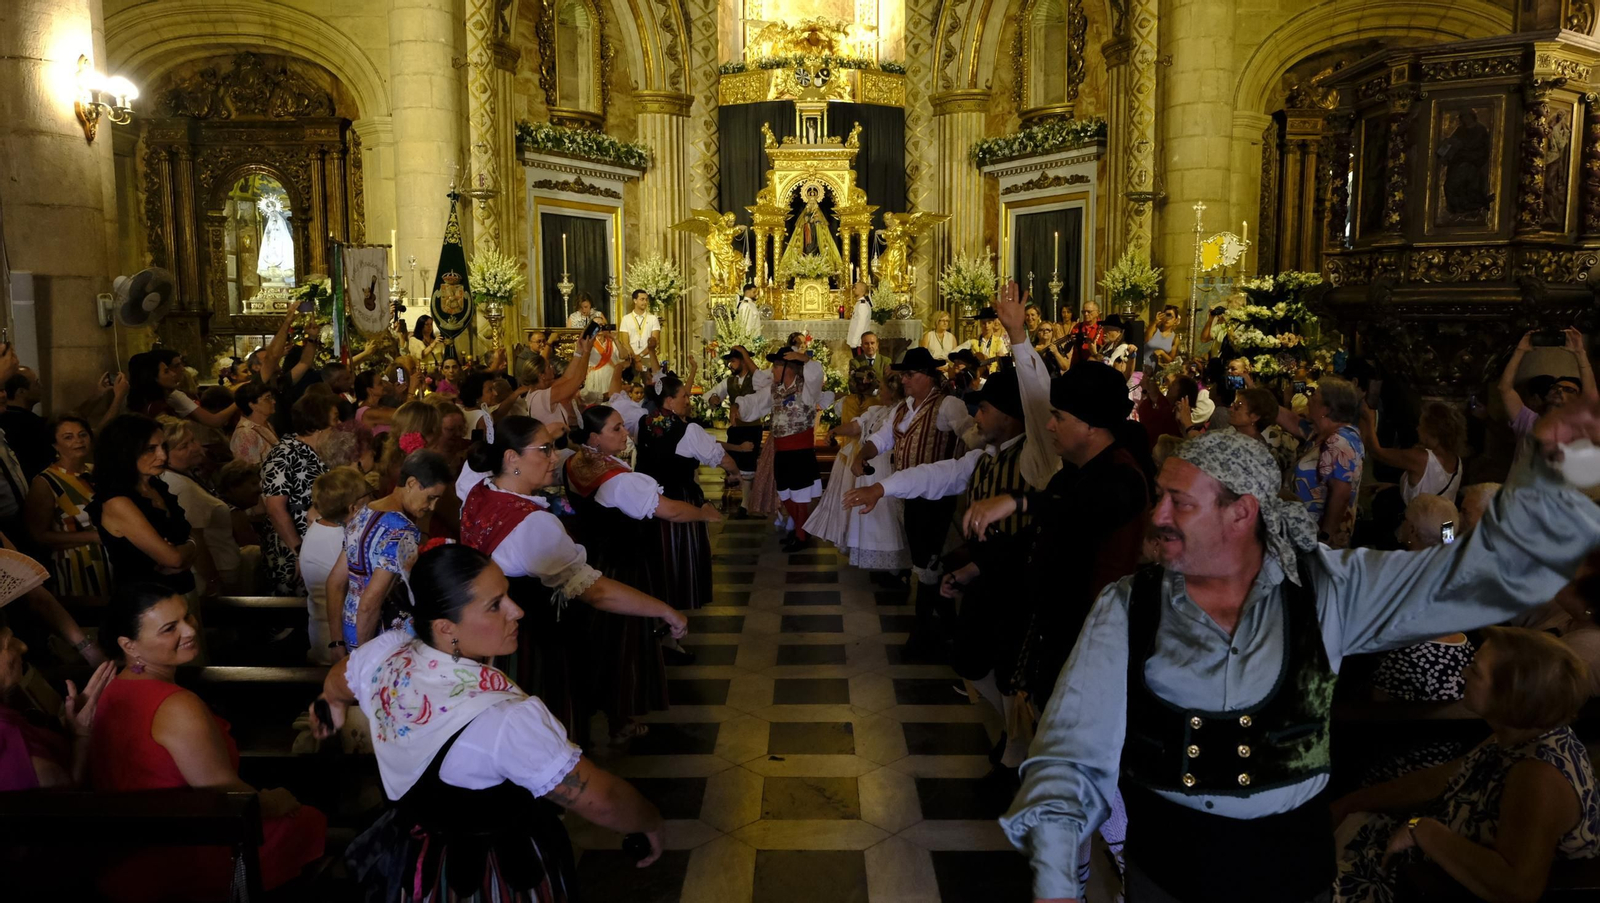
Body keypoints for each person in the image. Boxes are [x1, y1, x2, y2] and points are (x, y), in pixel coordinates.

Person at [1000, 397, 1600, 903]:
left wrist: (1561, 465)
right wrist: (1059, 884)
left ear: (1242, 513)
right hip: (1169, 875)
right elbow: (1069, 757)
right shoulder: (1129, 607)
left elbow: (1482, 576)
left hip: (1295, 877)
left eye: (1179, 502)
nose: (1156, 516)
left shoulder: (1330, 588)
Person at [307, 544, 671, 901]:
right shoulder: (503, 719)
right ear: (446, 627)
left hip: (413, 857)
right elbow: (601, 799)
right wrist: (648, 819)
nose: (517, 611)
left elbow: (339, 679)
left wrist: (330, 704)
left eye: (507, 595)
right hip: (493, 871)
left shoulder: (384, 654)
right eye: (495, 606)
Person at [844, 366, 1056, 758]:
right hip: (987, 573)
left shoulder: (1035, 459)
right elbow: (938, 474)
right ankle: (1015, 740)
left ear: (1010, 415)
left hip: (1022, 583)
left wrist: (1017, 335)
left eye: (986, 409)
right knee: (973, 662)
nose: (977, 416)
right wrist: (881, 487)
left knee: (1014, 673)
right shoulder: (985, 458)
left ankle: (1015, 751)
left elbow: (1037, 394)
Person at [90, 583, 326, 900]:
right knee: (307, 821)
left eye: (187, 616)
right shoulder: (175, 705)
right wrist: (279, 801)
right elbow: (227, 797)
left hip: (129, 845)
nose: (189, 630)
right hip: (181, 854)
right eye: (169, 628)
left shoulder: (114, 688)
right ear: (129, 645)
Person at [1331, 627, 1599, 903]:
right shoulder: (1515, 735)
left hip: (1425, 884)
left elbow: (1517, 887)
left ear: (1511, 693)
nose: (1463, 674)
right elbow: (1438, 780)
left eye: (1476, 671)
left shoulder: (1538, 773)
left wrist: (1422, 829)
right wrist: (1351, 802)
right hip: (1410, 865)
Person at [457, 417, 688, 733]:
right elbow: (597, 592)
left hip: (490, 641)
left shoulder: (479, 491)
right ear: (511, 458)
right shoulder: (533, 525)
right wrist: (665, 610)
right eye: (544, 449)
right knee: (547, 730)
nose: (554, 457)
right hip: (533, 644)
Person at [566, 405, 721, 738]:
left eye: (623, 427)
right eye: (616, 429)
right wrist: (703, 513)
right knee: (626, 641)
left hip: (593, 558)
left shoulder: (576, 461)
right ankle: (620, 718)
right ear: (594, 437)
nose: (625, 434)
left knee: (602, 640)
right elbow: (670, 512)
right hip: (623, 564)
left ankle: (605, 713)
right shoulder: (616, 479)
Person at [851, 347, 974, 642]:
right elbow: (882, 439)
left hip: (937, 498)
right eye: (903, 374)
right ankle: (945, 623)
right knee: (924, 559)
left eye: (909, 374)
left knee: (929, 560)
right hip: (909, 497)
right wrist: (862, 453)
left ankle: (922, 631)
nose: (903, 380)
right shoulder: (903, 408)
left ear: (929, 376)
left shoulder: (948, 406)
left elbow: (972, 437)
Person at [328, 450, 450, 651]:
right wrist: (363, 659)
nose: (433, 507)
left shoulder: (364, 512)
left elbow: (335, 581)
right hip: (378, 638)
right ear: (411, 483)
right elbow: (370, 602)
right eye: (431, 497)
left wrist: (336, 641)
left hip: (350, 629)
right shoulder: (403, 530)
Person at [639, 373, 744, 593]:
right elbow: (721, 458)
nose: (688, 400)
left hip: (649, 498)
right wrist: (735, 473)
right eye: (684, 396)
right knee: (678, 549)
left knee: (657, 550)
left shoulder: (645, 422)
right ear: (669, 401)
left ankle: (658, 593)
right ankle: (681, 592)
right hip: (680, 497)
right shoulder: (688, 430)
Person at [86, 414, 205, 597]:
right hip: (146, 601)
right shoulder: (117, 501)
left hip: (180, 591)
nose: (163, 455)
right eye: (151, 449)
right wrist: (188, 549)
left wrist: (187, 548)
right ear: (125, 451)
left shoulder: (156, 486)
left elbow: (188, 539)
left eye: (163, 446)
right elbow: (174, 559)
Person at [812, 370, 910, 570]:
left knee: (886, 514)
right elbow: (857, 426)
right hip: (868, 466)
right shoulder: (877, 410)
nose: (879, 392)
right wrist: (834, 431)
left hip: (885, 467)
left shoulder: (902, 410)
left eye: (882, 389)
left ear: (893, 392)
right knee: (869, 515)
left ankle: (895, 565)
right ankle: (877, 560)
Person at [0, 625, 112, 791]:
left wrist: (66, 724)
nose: (22, 646)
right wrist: (81, 736)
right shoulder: (9, 741)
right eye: (9, 644)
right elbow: (65, 803)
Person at [733, 352, 826, 551]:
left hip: (800, 452)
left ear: (788, 369)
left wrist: (805, 359)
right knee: (785, 493)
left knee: (800, 496)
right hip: (781, 451)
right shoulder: (774, 389)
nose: (772, 370)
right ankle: (801, 530)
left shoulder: (806, 389)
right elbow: (756, 401)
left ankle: (801, 535)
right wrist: (738, 405)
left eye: (776, 366)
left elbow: (816, 376)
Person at [25, 415, 110, 599]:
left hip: (111, 565)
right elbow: (38, 535)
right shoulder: (45, 481)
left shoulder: (96, 472)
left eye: (82, 435)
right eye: (68, 437)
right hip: (76, 569)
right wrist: (94, 536)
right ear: (55, 445)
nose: (78, 441)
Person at [261, 393, 336, 595]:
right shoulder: (284, 453)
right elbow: (275, 508)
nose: (338, 424)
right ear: (317, 421)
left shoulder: (323, 451)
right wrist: (300, 553)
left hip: (320, 543)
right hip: (293, 547)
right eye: (334, 418)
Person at [1281, 376, 1366, 549]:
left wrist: (1324, 538)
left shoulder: (1340, 441)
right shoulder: (1320, 432)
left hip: (1316, 538)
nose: (1308, 399)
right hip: (1303, 531)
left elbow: (1340, 494)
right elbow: (1292, 421)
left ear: (1326, 409)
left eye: (1314, 397)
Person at [158, 419, 240, 594]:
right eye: (183, 446)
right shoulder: (181, 486)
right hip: (215, 571)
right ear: (164, 454)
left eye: (193, 440)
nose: (195, 448)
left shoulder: (179, 477)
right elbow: (196, 539)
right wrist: (213, 580)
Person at [301, 466, 370, 665]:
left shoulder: (319, 525)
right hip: (335, 641)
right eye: (367, 494)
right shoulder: (343, 538)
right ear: (353, 508)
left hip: (320, 630)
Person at [1500, 327, 1595, 468]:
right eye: (1555, 387)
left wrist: (1580, 353)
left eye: (1568, 390)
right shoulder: (1528, 420)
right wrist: (1520, 351)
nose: (1559, 391)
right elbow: (1505, 388)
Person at [704, 345, 771, 515]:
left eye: (733, 361)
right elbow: (715, 393)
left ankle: (746, 502)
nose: (730, 365)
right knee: (735, 461)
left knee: (748, 462)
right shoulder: (730, 381)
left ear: (743, 361)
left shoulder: (756, 380)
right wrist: (713, 398)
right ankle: (743, 497)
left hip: (752, 427)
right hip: (735, 429)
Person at [1363, 400, 1465, 510]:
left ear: (1432, 432)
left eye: (1421, 425)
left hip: (1417, 524)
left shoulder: (1422, 458)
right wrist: (1392, 487)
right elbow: (1429, 491)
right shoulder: (1457, 461)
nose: (1417, 429)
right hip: (1440, 523)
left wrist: (1369, 420)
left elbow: (1376, 452)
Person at [126, 348, 238, 431]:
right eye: (167, 371)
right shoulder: (161, 405)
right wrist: (240, 399)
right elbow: (214, 421)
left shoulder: (168, 396)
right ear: (152, 378)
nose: (174, 373)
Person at [1228, 387, 1300, 483]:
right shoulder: (1234, 436)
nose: (1231, 409)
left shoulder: (1257, 449)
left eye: (1238, 406)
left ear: (1255, 416)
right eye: (1233, 404)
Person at [2, 367, 51, 479]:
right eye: (36, 383)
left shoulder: (5, 418)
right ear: (21, 391)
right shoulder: (34, 425)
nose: (41, 387)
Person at [229, 381, 279, 466]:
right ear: (252, 405)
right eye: (268, 398)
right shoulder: (246, 434)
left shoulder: (265, 424)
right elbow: (249, 471)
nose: (273, 401)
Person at [621, 290, 662, 359]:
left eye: (646, 300)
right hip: (631, 358)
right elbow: (625, 342)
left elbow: (654, 341)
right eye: (642, 299)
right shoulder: (626, 319)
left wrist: (640, 356)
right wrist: (634, 357)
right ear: (635, 300)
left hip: (649, 358)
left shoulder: (653, 318)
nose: (645, 302)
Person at [847, 281, 873, 350]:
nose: (853, 289)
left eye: (855, 288)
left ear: (861, 290)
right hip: (858, 341)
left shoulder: (862, 305)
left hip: (859, 342)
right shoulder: (859, 303)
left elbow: (861, 325)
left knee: (860, 360)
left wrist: (854, 342)